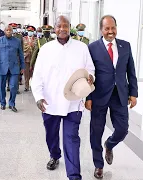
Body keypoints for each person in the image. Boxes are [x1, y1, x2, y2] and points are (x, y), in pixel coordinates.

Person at [31, 15, 95, 180]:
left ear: (70, 27)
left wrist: (91, 78)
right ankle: (54, 155)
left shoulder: (81, 48)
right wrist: (38, 96)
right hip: (49, 102)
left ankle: (74, 176)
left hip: (73, 103)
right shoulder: (46, 49)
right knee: (51, 134)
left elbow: (90, 69)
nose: (62, 29)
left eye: (65, 26)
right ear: (54, 29)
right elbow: (37, 75)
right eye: (59, 26)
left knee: (71, 138)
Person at [85, 15, 138, 179]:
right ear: (101, 29)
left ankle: (110, 144)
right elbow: (88, 74)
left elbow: (131, 71)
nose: (110, 31)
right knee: (96, 132)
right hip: (99, 94)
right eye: (107, 28)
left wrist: (134, 93)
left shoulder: (125, 46)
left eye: (112, 28)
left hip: (120, 94)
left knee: (122, 130)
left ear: (116, 27)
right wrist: (88, 97)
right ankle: (98, 165)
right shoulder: (92, 47)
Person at [0, 25, 25, 112]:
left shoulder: (17, 41)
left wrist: (23, 66)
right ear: (4, 31)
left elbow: (21, 54)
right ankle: (2, 103)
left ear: (12, 31)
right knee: (1, 87)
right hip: (1, 67)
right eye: (7, 30)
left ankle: (12, 104)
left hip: (14, 67)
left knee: (13, 86)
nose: (9, 32)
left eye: (10, 30)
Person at [23, 25, 36, 91]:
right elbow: (23, 48)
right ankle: (26, 86)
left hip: (33, 59)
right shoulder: (24, 39)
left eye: (31, 31)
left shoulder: (36, 39)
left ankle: (32, 85)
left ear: (33, 32)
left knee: (33, 73)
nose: (30, 32)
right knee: (26, 73)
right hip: (26, 58)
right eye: (29, 31)